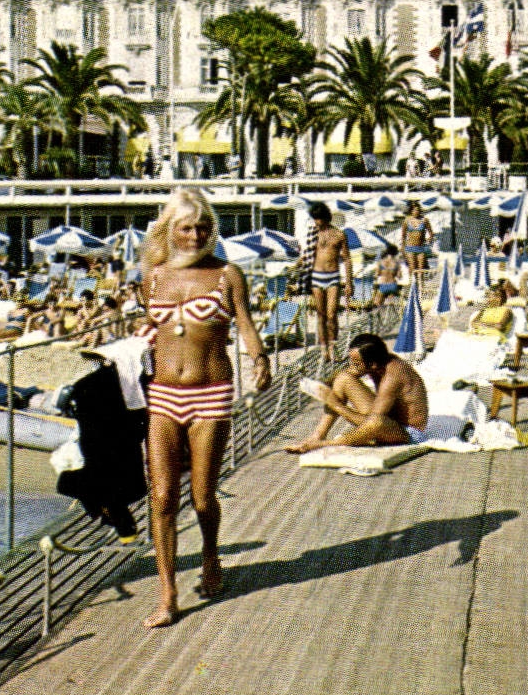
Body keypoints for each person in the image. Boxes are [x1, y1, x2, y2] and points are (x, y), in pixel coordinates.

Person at [138, 188, 271, 628]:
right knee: (160, 498)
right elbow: (153, 327)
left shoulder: (227, 274)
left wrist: (260, 358)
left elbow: (246, 324)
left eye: (203, 227)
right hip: (162, 394)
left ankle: (211, 556)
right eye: (186, 227)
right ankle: (167, 592)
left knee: (201, 496)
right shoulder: (153, 276)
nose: (195, 235)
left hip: (211, 393)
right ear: (170, 231)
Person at [287, 334, 429, 453]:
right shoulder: (378, 362)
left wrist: (335, 404)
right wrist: (322, 385)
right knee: (343, 379)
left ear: (372, 364)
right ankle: (317, 436)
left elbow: (373, 422)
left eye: (356, 363)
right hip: (390, 418)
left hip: (409, 433)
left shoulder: (393, 375)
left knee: (375, 423)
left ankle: (325, 444)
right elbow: (346, 375)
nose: (352, 366)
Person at [297, 201, 352, 359]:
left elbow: (347, 259)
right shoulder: (313, 234)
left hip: (333, 276)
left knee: (332, 313)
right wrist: (295, 269)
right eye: (315, 219)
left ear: (326, 217)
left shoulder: (340, 235)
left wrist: (349, 282)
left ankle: (333, 345)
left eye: (319, 218)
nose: (317, 222)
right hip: (316, 276)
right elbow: (306, 256)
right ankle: (323, 347)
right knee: (320, 314)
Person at [400, 202, 434, 279]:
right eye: (414, 210)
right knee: (412, 269)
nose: (416, 212)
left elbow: (431, 233)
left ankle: (421, 288)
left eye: (418, 210)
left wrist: (429, 239)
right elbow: (403, 236)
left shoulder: (424, 220)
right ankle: (412, 287)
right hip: (410, 248)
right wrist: (402, 248)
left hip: (421, 248)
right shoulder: (407, 220)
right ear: (411, 211)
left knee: (421, 270)